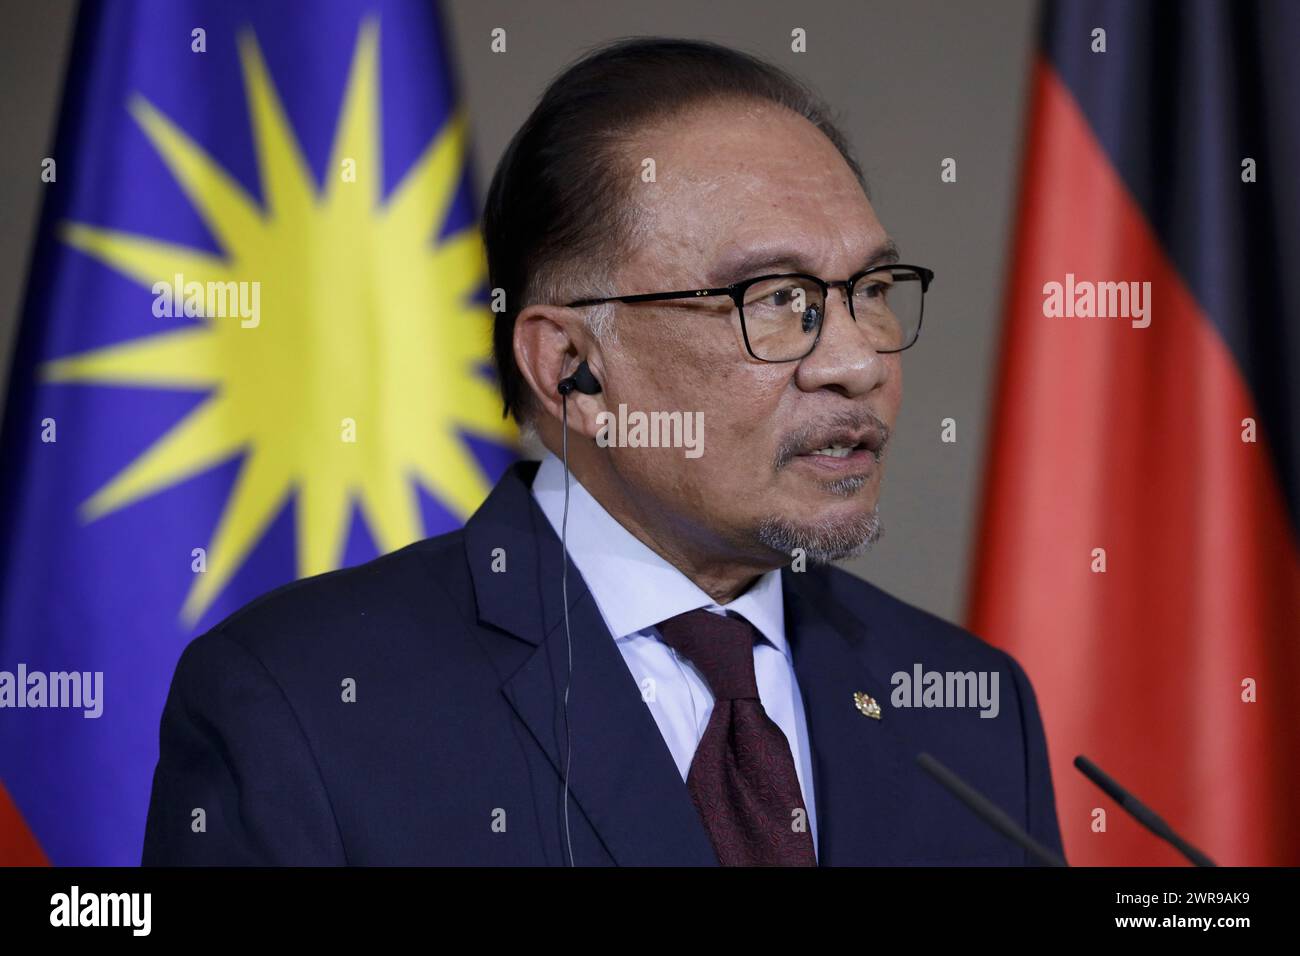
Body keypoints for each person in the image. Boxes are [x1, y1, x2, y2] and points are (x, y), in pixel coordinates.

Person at [142, 37, 1063, 866]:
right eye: (777, 298)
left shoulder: (970, 707)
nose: (860, 358)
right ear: (570, 365)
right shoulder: (302, 707)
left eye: (869, 287)